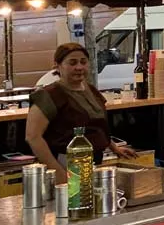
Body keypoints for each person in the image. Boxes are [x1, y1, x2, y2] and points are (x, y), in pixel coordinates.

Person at [25, 43, 136, 182]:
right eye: (72, 63)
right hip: (66, 163)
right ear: (57, 65)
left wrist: (113, 147)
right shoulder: (48, 95)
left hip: (94, 163)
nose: (79, 67)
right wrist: (57, 171)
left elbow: (96, 125)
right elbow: (33, 137)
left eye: (83, 62)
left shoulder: (91, 90)